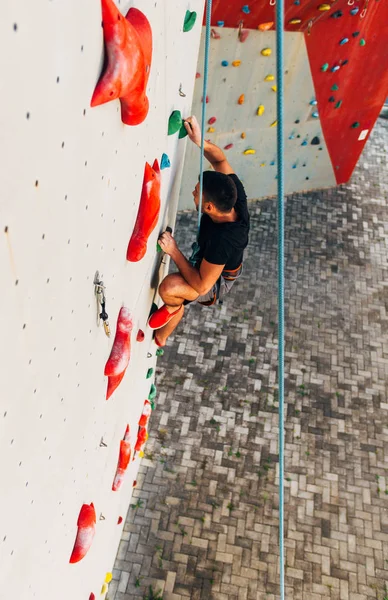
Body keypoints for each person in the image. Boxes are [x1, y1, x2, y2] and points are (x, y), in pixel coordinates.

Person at [148, 115, 250, 346]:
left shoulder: (224, 240)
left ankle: (170, 317)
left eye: (197, 192)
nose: (193, 193)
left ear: (209, 207)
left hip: (215, 283)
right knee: (180, 287)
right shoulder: (234, 195)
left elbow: (202, 285)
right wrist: (200, 141)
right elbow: (220, 160)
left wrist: (173, 251)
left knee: (171, 288)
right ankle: (172, 314)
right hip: (210, 264)